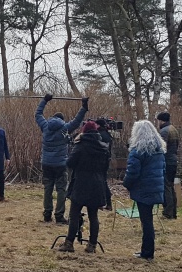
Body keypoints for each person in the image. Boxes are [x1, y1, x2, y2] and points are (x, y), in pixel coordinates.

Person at [35, 94, 88, 224]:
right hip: (60, 164)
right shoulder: (65, 128)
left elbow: (38, 114)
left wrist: (44, 100)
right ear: (62, 120)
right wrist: (84, 107)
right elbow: (77, 121)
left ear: (53, 118)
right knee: (61, 190)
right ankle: (59, 215)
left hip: (46, 163)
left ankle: (47, 214)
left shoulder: (45, 126)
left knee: (47, 188)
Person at [58, 121, 109, 253]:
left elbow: (70, 163)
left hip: (81, 183)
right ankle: (92, 245)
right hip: (97, 184)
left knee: (74, 214)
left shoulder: (80, 146)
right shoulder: (103, 148)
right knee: (93, 215)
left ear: (84, 131)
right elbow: (105, 168)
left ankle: (69, 243)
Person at [123, 120, 166, 261]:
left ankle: (147, 252)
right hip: (156, 188)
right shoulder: (159, 150)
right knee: (148, 220)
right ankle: (147, 250)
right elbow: (163, 170)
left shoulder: (137, 151)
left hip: (143, 190)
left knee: (146, 222)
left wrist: (127, 184)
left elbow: (132, 172)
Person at [156, 111, 179, 219]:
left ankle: (167, 212)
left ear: (161, 120)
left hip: (167, 162)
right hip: (173, 161)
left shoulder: (164, 131)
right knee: (170, 186)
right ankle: (173, 212)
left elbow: (161, 148)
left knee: (166, 187)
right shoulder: (174, 129)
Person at [96, 119, 113, 210]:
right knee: (103, 181)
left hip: (99, 162)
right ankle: (108, 203)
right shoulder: (108, 135)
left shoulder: (99, 135)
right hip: (106, 161)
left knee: (100, 182)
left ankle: (101, 202)